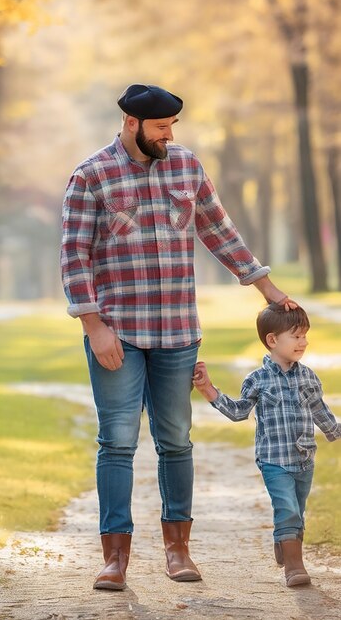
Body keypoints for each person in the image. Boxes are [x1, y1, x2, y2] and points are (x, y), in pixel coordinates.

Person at [60, 83, 296, 591]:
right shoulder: (91, 176)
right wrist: (94, 327)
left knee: (176, 441)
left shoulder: (186, 166)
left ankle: (177, 550)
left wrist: (268, 291)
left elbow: (218, 230)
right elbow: (74, 257)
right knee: (117, 442)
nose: (169, 136)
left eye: (173, 128)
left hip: (177, 331)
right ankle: (114, 559)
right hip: (117, 333)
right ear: (131, 124)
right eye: (160, 128)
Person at [192, 303, 341, 587]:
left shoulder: (308, 376)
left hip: (304, 459)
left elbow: (323, 417)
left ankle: (284, 541)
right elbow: (238, 412)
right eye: (296, 336)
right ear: (272, 340)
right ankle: (294, 566)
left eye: (305, 335)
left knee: (298, 509)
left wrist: (336, 431)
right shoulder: (258, 379)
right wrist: (208, 390)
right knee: (287, 509)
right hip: (274, 460)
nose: (304, 342)